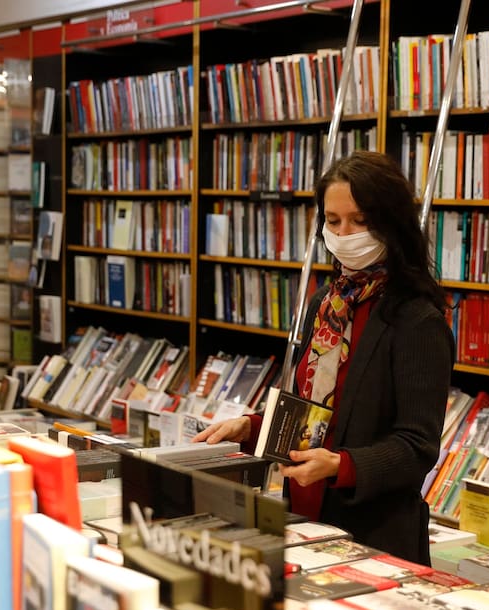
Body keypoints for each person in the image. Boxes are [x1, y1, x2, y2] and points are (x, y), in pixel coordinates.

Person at [194, 151, 453, 565]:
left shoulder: (417, 320)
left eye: (360, 220)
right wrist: (252, 426)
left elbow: (417, 446)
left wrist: (340, 465)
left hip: (374, 534)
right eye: (333, 221)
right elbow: (312, 412)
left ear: (391, 221)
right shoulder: (326, 304)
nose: (344, 232)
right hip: (303, 517)